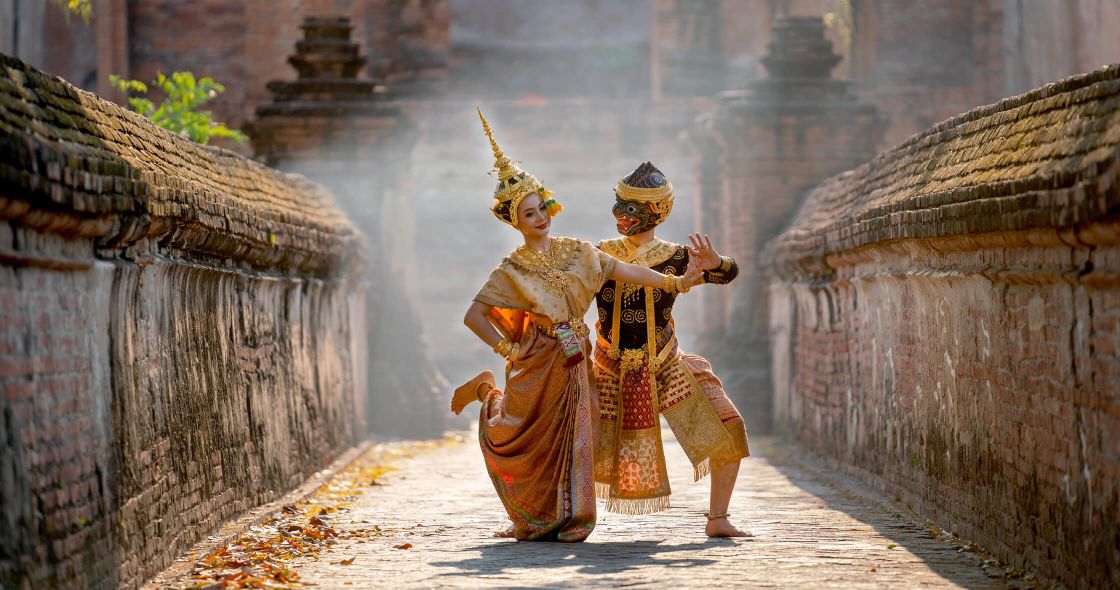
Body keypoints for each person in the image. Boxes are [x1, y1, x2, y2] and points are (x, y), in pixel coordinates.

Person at [450, 111, 704, 542]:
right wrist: (508, 352)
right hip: (536, 359)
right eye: (528, 215)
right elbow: (473, 316)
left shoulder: (578, 252)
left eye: (542, 208)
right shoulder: (512, 269)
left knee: (577, 436)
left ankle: (575, 519)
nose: (540, 218)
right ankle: (489, 398)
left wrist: (677, 281)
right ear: (516, 222)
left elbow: (626, 271)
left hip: (575, 355)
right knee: (526, 439)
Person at [592, 162, 751, 537]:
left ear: (658, 212)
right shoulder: (598, 254)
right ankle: (545, 518)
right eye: (620, 203)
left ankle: (718, 519)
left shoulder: (678, 257)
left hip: (665, 364)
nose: (622, 214)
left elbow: (727, 274)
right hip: (607, 369)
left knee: (730, 426)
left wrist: (718, 263)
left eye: (633, 207)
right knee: (564, 436)